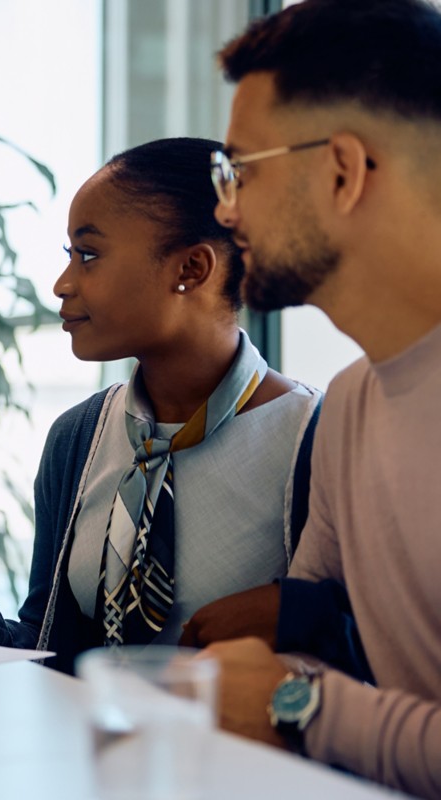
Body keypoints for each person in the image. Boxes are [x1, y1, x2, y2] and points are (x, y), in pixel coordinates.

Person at [0, 137, 322, 674]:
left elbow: (357, 648)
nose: (62, 284)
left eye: (88, 255)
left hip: (240, 753)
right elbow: (56, 652)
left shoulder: (314, 440)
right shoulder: (79, 437)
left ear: (191, 268)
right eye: (68, 256)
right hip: (97, 748)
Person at [188, 1, 441, 796]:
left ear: (342, 170)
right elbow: (299, 654)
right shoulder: (350, 407)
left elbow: (294, 693)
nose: (226, 211)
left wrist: (297, 704)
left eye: (242, 171)